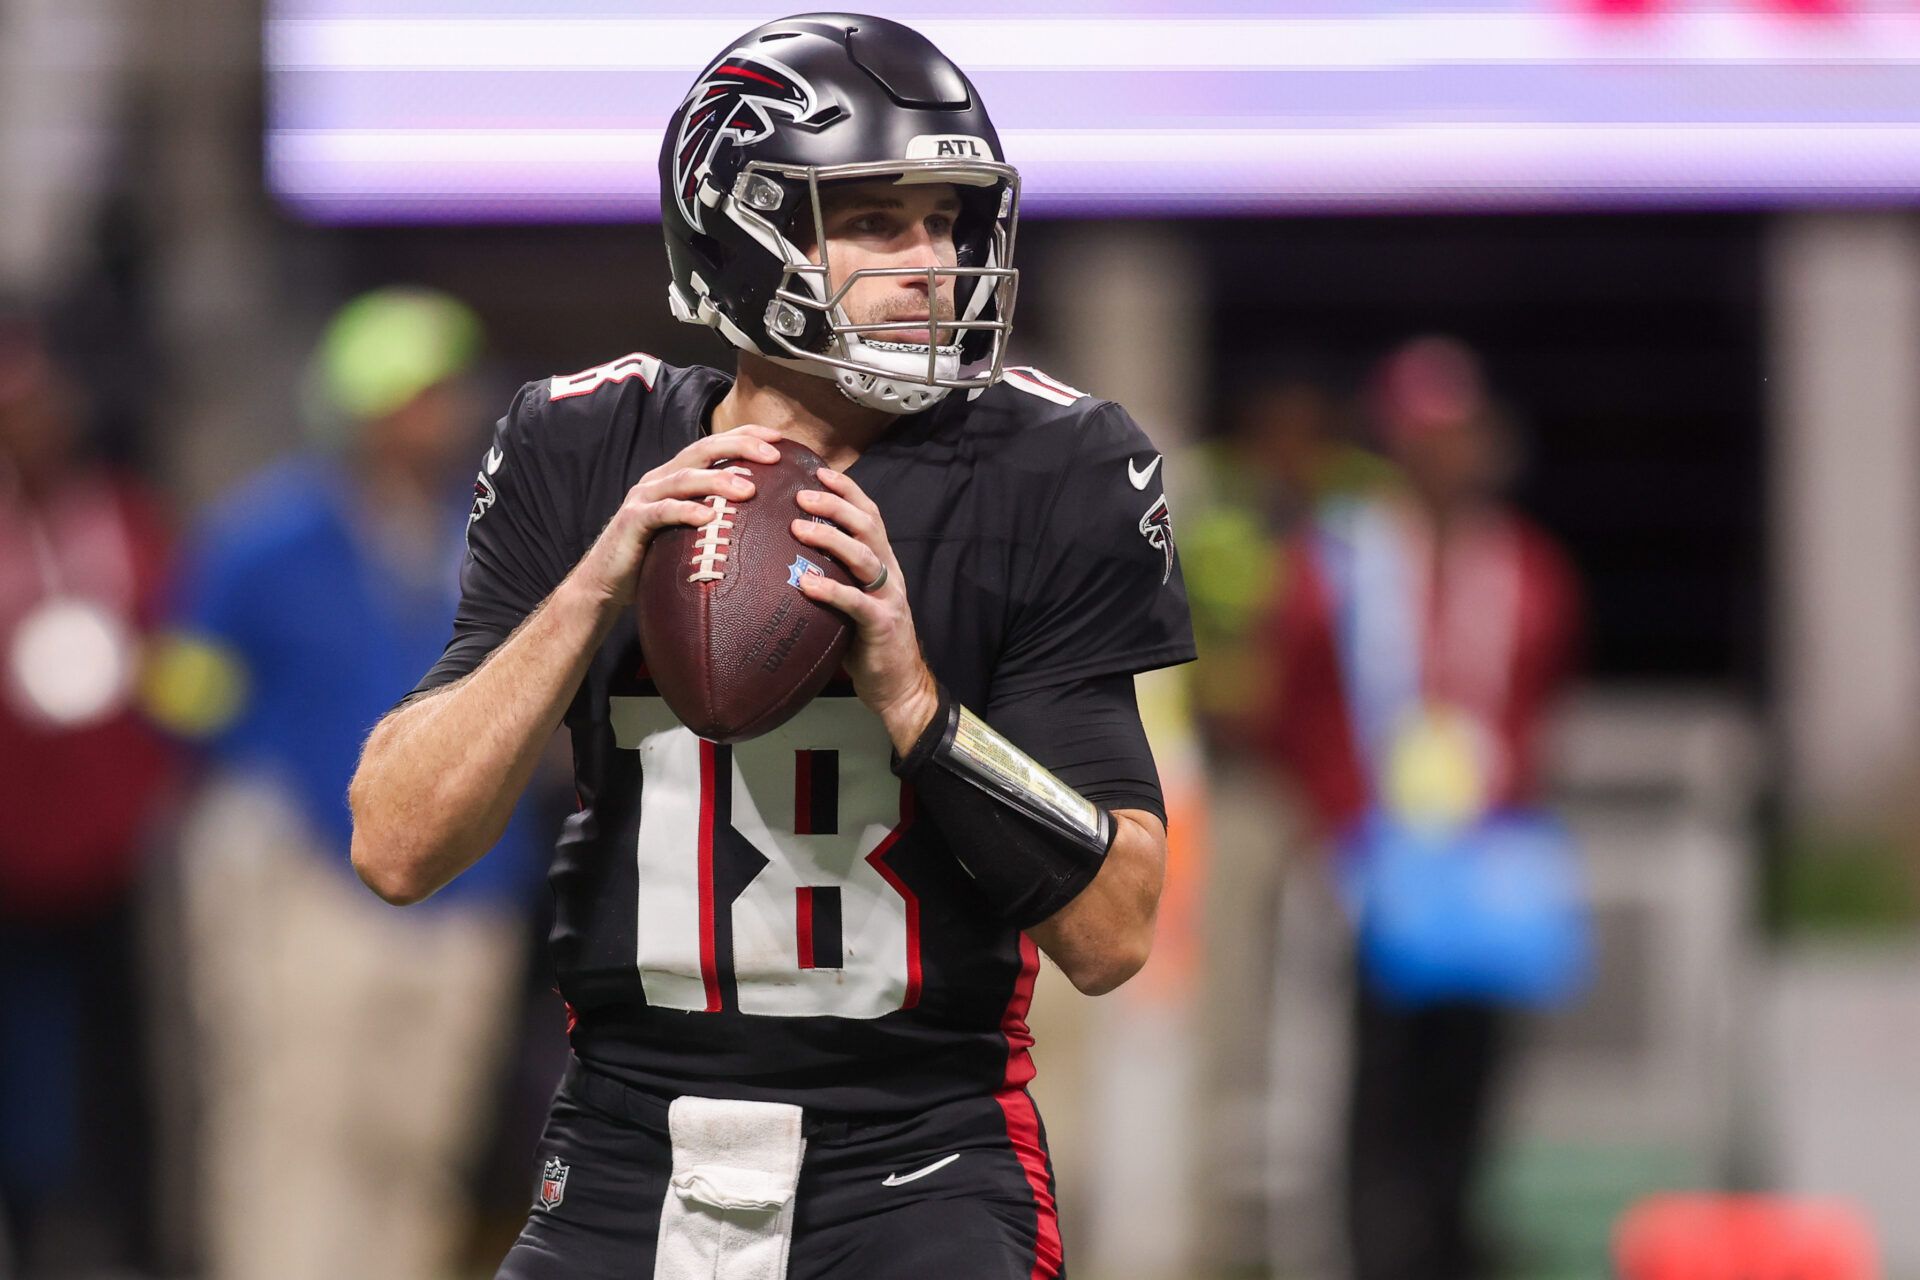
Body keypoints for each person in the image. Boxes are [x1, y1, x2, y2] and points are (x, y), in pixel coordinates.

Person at [348, 14, 1195, 1278]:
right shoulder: (585, 444)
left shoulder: (1049, 467)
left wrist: (918, 705)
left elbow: (1116, 928)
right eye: (877, 221)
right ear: (739, 231)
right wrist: (594, 587)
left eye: (948, 220)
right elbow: (396, 842)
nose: (932, 261)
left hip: (917, 1156)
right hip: (624, 1150)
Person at [155, 288, 552, 1280]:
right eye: (413, 395)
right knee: (296, 1125)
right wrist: (267, 782)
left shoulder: (494, 536)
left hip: (467, 886)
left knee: (423, 1136)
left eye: (447, 392)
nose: (438, 414)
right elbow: (182, 687)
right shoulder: (266, 538)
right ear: (359, 407)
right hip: (308, 882)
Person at [1257, 337, 1584, 1280]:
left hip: (1481, 864)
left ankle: (1454, 1244)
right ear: (1394, 443)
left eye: (1461, 434)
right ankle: (1378, 1253)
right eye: (1427, 435)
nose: (1447, 454)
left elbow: (1537, 706)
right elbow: (1293, 704)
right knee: (1375, 1078)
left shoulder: (1525, 569)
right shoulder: (1336, 563)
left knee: (1472, 1078)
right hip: (1373, 864)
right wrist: (1336, 822)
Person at [0, 306, 177, 1274]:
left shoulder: (124, 518)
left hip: (119, 852)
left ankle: (135, 1242)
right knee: (26, 1075)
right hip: (12, 863)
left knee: (128, 1068)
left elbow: (183, 663)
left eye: (37, 404)